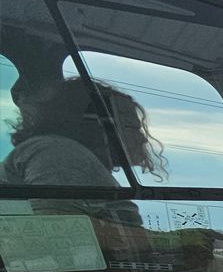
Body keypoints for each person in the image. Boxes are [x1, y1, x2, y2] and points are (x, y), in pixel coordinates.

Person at [2, 77, 166, 223]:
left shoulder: (66, 156)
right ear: (96, 127)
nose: (143, 138)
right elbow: (60, 228)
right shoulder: (61, 155)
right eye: (131, 127)